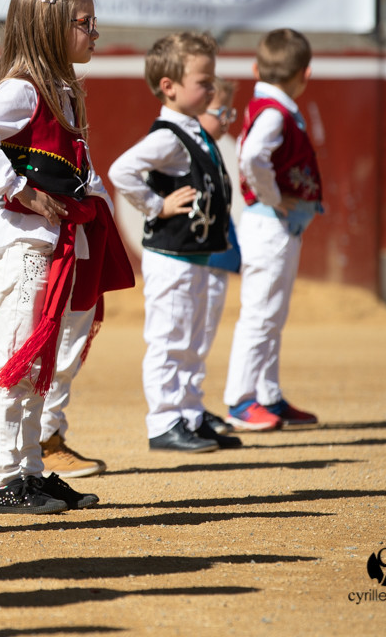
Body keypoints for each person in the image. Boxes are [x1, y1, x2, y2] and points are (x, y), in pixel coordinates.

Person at [0, 0, 132, 514]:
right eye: (85, 22)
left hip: (55, 240)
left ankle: (29, 469)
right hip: (28, 244)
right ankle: (4, 478)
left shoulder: (60, 89)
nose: (95, 32)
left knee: (40, 360)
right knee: (17, 357)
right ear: (51, 28)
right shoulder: (23, 89)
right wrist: (21, 189)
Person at [107, 32, 241, 453]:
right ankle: (165, 420)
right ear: (170, 86)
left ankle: (190, 413)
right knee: (170, 338)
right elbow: (122, 170)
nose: (210, 87)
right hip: (171, 256)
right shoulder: (170, 135)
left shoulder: (194, 130)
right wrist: (156, 205)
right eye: (203, 81)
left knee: (191, 338)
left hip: (194, 255)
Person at [223, 27, 322, 431]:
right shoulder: (276, 111)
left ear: (255, 67)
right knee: (261, 314)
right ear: (306, 74)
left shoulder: (271, 106)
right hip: (270, 223)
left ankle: (266, 394)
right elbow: (250, 157)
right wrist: (274, 196)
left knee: (271, 314)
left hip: (275, 225)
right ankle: (241, 400)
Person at [195, 78, 241, 434]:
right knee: (191, 331)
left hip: (214, 247)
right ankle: (182, 409)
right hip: (196, 251)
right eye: (221, 111)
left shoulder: (213, 146)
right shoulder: (183, 145)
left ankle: (192, 404)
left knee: (205, 330)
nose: (228, 119)